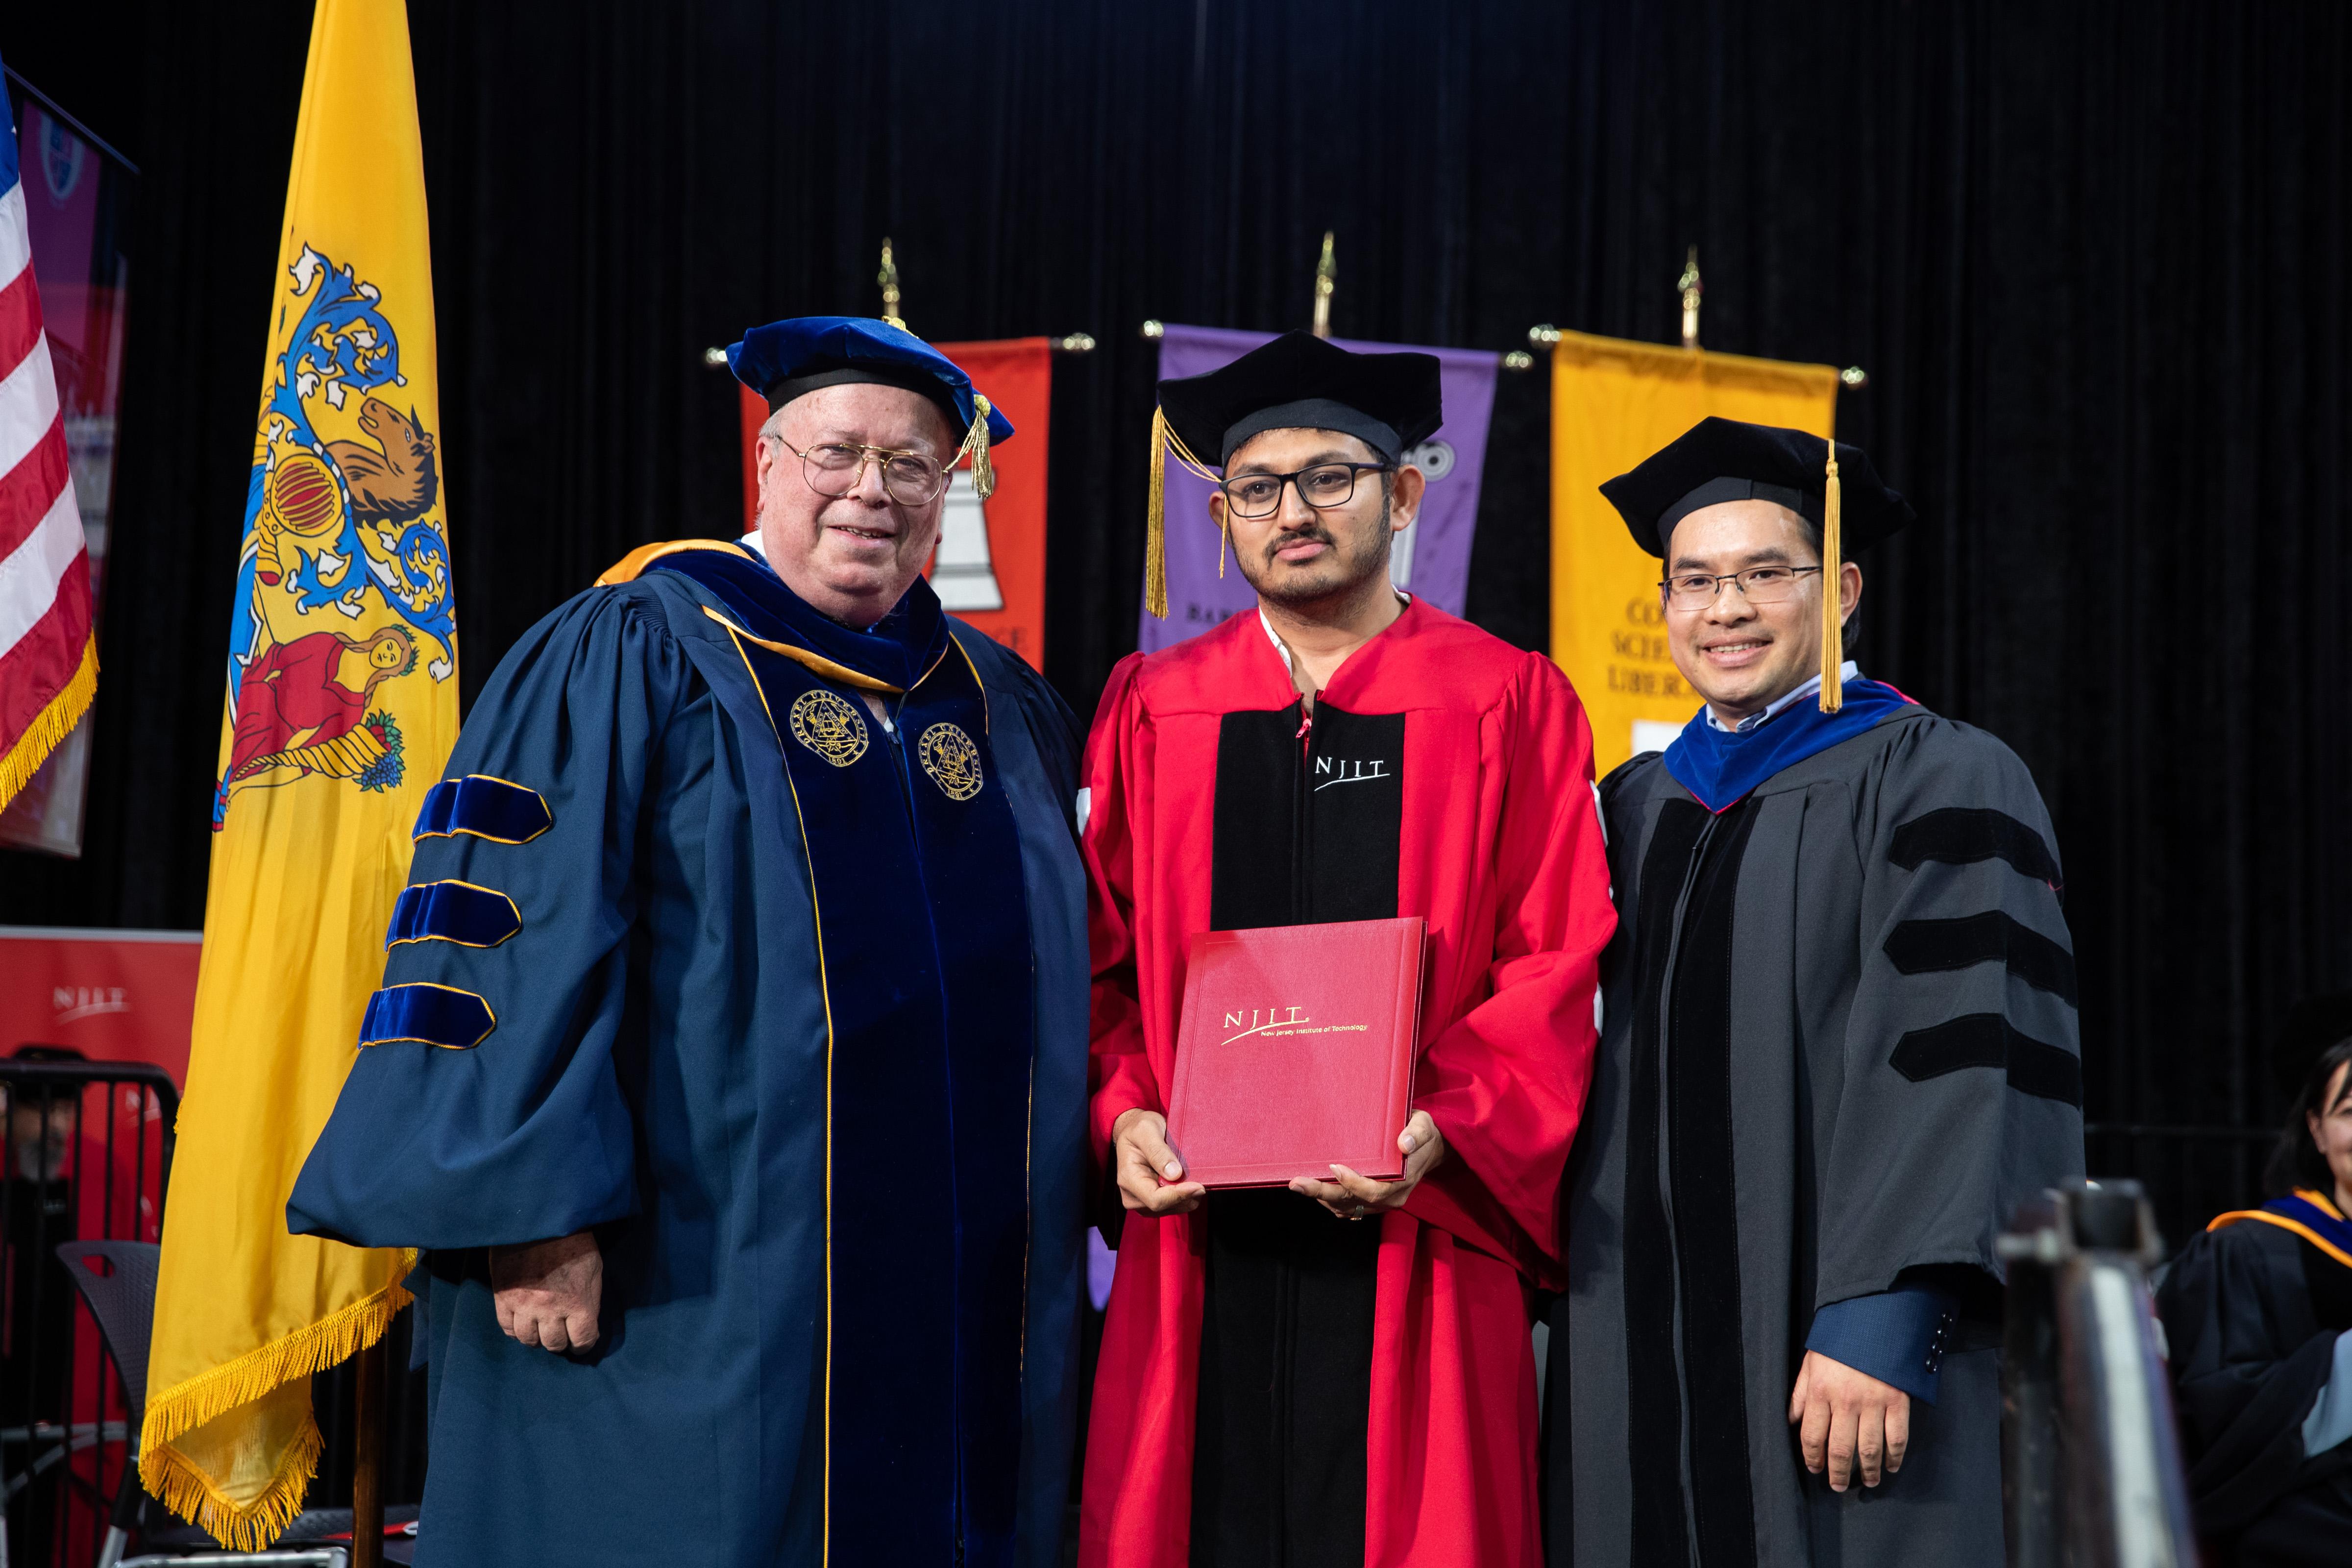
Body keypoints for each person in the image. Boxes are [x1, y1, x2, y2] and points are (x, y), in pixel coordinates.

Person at [289, 317, 1090, 1567]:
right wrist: (534, 1216)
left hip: (959, 1294)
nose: (870, 493)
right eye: (837, 455)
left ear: (950, 491)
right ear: (765, 463)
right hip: (692, 1279)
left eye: (912, 467)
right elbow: (507, 941)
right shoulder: (637, 649)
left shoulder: (998, 703)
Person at [1079, 331, 1615, 1568]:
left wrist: (1446, 1123)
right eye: (1257, 489)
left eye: (1331, 477)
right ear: (1221, 515)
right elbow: (1095, 969)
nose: (1294, 512)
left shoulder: (1507, 701)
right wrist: (1122, 1117)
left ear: (1403, 492)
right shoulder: (1154, 708)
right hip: (1198, 1239)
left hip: (1416, 1229)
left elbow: (1556, 959)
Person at [1544, 417, 2084, 1568]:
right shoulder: (1630, 807)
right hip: (1631, 1340)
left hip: (1838, 1340)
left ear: (1837, 589)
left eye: (1761, 574)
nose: (1723, 609)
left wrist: (1883, 1314)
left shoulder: (1937, 773)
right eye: (1693, 581)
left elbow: (1964, 1057)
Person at [2156, 994, 2352, 1563]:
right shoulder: (2248, 1249)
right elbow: (2227, 1427)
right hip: (2309, 1525)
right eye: (2350, 1110)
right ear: (2316, 1130)